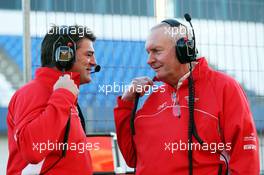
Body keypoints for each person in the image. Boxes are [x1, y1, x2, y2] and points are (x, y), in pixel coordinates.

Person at [114, 18, 260, 174]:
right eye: (148, 53)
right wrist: (126, 104)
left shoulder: (224, 87)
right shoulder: (151, 99)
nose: (149, 60)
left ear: (184, 50)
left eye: (156, 51)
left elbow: (245, 153)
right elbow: (131, 158)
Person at [6, 25, 97, 174]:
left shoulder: (63, 94)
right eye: (88, 54)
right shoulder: (34, 92)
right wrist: (62, 96)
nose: (94, 62)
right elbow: (32, 150)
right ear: (65, 55)